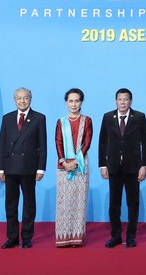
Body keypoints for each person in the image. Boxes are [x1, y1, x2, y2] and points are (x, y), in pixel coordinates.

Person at [0, 87, 47, 249]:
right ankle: (12, 237)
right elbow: (2, 144)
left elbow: (43, 145)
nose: (22, 101)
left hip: (29, 167)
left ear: (30, 99)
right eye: (19, 98)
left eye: (25, 98)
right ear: (14, 100)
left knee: (29, 203)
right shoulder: (7, 118)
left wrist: (41, 168)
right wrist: (1, 168)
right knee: (11, 204)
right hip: (10, 168)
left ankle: (26, 237)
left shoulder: (39, 118)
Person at [98, 88, 146, 248]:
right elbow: (102, 142)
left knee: (133, 203)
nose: (123, 102)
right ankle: (116, 236)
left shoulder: (139, 117)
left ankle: (131, 236)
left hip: (133, 167)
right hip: (113, 167)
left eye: (126, 99)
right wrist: (102, 165)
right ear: (115, 101)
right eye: (120, 99)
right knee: (114, 204)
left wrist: (144, 165)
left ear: (130, 101)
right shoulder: (108, 117)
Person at [55, 88, 93, 247]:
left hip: (81, 165)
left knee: (79, 201)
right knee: (64, 202)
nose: (74, 104)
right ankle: (63, 236)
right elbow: (58, 142)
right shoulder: (61, 122)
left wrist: (76, 161)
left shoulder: (87, 121)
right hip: (63, 166)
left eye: (77, 101)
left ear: (81, 103)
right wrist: (64, 162)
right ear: (66, 103)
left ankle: (76, 237)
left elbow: (87, 141)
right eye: (71, 101)